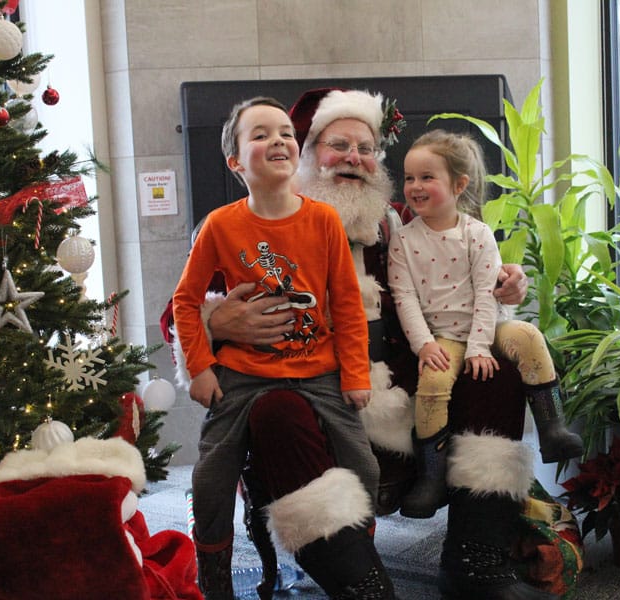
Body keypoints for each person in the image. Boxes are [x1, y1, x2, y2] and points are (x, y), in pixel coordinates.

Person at [168, 88, 578, 600]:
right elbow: (178, 310)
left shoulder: (397, 223)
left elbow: (462, 268)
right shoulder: (239, 224)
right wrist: (219, 323)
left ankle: (476, 557)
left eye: (366, 148)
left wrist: (503, 286)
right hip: (298, 385)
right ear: (309, 154)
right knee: (276, 412)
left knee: (491, 369)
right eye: (338, 144)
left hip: (398, 383)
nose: (354, 159)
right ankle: (359, 581)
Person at [171, 96, 394, 600]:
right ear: (234, 162)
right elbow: (185, 302)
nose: (278, 140)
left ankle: (362, 566)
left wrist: (356, 374)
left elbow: (346, 306)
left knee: (366, 466)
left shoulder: (323, 221)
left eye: (285, 133)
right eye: (260, 134)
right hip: (241, 377)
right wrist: (201, 366)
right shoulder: (220, 226)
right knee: (209, 478)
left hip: (318, 374)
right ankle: (215, 580)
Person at [388, 130, 583, 518]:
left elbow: (484, 294)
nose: (415, 186)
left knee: (528, 336)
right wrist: (424, 345)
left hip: (489, 326)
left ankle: (551, 427)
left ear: (459, 185)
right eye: (409, 178)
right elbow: (404, 297)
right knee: (433, 381)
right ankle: (432, 475)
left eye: (427, 177)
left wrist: (480, 346)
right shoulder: (403, 240)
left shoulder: (477, 234)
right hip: (442, 335)